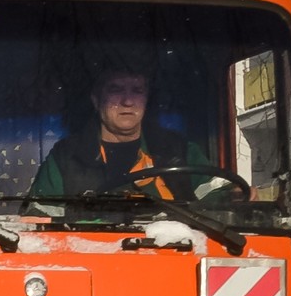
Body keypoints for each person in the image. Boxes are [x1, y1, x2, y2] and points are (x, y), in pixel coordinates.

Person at [30, 64, 211, 200]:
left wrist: (230, 198)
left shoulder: (178, 149)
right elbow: (40, 220)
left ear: (146, 100)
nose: (128, 101)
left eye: (137, 91)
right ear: (96, 100)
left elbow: (220, 201)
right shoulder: (66, 157)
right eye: (115, 90)